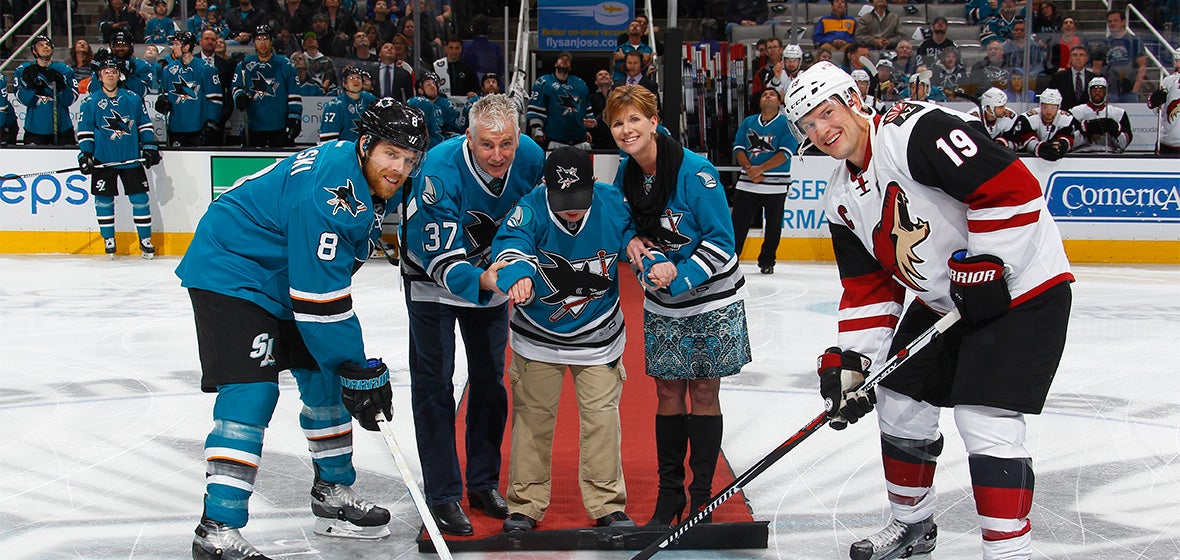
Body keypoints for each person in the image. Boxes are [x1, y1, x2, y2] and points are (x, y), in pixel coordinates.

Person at [782, 60, 1072, 560]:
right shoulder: (842, 198)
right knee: (896, 396)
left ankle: (1008, 553)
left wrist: (989, 262)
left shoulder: (912, 130)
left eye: (826, 113)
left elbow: (1012, 187)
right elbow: (869, 288)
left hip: (1024, 288)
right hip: (949, 302)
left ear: (853, 101)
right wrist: (854, 363)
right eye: (808, 124)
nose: (822, 130)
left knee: (986, 419)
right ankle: (913, 526)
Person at [176, 98, 429, 560]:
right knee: (251, 393)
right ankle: (216, 530)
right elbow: (319, 301)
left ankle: (331, 493)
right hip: (232, 272)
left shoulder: (356, 176)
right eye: (391, 153)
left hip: (283, 274)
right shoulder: (331, 193)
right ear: (366, 144)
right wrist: (356, 366)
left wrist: (346, 368)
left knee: (325, 381)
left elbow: (319, 288)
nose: (399, 168)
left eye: (409, 159)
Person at [399, 93, 545, 537]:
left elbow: (538, 219)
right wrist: (488, 279)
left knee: (488, 383)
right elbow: (437, 256)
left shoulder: (531, 158)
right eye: (487, 145)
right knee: (434, 386)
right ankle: (443, 492)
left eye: (506, 143)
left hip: (493, 283)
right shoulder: (439, 169)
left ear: (519, 136)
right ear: (469, 137)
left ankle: (482, 482)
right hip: (432, 283)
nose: (498, 155)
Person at [605, 84, 750, 526]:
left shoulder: (695, 171)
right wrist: (630, 241)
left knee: (704, 392)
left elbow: (724, 244)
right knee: (667, 392)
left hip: (711, 299)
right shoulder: (625, 175)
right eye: (617, 122)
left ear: (654, 121)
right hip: (663, 303)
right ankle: (670, 495)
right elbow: (620, 224)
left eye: (634, 119)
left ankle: (702, 495)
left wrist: (679, 274)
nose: (626, 129)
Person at [491, 147, 639, 533]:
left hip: (599, 336)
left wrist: (645, 254)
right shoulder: (530, 207)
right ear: (545, 186)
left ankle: (607, 503)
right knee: (532, 422)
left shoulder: (611, 201)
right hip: (536, 338)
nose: (570, 209)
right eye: (562, 200)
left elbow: (631, 237)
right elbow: (511, 243)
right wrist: (517, 273)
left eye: (578, 199)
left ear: (594, 183)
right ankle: (525, 504)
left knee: (602, 421)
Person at [76, 58, 161, 259]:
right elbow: (85, 131)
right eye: (105, 71)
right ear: (99, 76)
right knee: (104, 200)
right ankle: (109, 239)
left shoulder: (132, 98)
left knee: (140, 199)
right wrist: (85, 154)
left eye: (113, 71)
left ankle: (145, 239)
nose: (110, 74)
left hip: (130, 159)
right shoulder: (90, 102)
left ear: (119, 75)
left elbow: (144, 126)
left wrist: (149, 147)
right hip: (103, 160)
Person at [731, 87, 798, 276]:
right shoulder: (749, 122)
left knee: (773, 226)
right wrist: (750, 171)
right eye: (764, 94)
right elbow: (738, 148)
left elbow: (785, 153)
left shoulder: (787, 124)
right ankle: (731, 260)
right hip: (747, 183)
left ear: (779, 101)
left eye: (772, 94)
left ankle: (767, 261)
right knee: (738, 224)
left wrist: (759, 169)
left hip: (775, 186)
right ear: (760, 101)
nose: (767, 96)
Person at [232, 25, 303, 147]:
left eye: (266, 39)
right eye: (259, 39)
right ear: (254, 42)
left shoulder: (286, 65)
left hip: (279, 125)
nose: (262, 43)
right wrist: (239, 98)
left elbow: (294, 93)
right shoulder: (244, 64)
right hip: (253, 125)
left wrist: (294, 116)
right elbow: (236, 87)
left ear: (271, 42)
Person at [156, 31, 223, 146]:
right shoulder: (168, 69)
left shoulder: (206, 68)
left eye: (177, 44)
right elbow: (164, 95)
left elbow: (215, 99)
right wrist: (161, 103)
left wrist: (211, 124)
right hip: (176, 129)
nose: (173, 47)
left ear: (186, 47)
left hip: (199, 129)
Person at [14, 34, 77, 145]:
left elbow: (69, 100)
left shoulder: (64, 70)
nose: (45, 47)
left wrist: (61, 85)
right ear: (34, 50)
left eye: (48, 45)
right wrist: (29, 84)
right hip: (34, 129)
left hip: (62, 128)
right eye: (40, 45)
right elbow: (23, 100)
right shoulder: (23, 70)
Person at [527, 51, 594, 151]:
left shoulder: (580, 84)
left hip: (579, 139)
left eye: (567, 60)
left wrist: (588, 129)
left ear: (570, 67)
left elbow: (586, 109)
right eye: (561, 59)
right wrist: (538, 129)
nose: (564, 60)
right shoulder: (544, 82)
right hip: (554, 139)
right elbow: (536, 107)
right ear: (555, 64)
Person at [1010, 88, 1078, 161]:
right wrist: (1042, 149)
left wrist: (1060, 145)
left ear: (1058, 107)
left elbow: (1067, 137)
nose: (1049, 112)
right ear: (1040, 105)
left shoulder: (1066, 118)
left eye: (1053, 108)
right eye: (1046, 107)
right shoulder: (1027, 118)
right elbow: (1026, 140)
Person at [1069, 77, 1132, 153]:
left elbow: (1123, 145)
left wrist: (1116, 130)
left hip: (1109, 155)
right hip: (1081, 154)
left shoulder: (1119, 113)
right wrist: (1085, 129)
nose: (1097, 92)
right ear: (1089, 91)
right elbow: (1069, 142)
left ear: (1106, 92)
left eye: (1101, 89)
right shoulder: (1075, 112)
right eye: (1094, 89)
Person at [319, 66, 376, 143]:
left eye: (358, 78)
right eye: (351, 78)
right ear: (344, 84)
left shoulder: (371, 100)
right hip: (343, 151)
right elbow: (328, 140)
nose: (356, 80)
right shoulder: (334, 106)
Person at [91, 30, 155, 97]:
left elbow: (143, 92)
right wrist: (97, 71)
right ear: (111, 47)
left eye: (125, 45)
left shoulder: (142, 65)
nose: (120, 48)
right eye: (117, 45)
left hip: (131, 106)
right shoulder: (105, 65)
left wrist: (127, 76)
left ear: (131, 46)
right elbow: (93, 91)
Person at [1101, 10, 1147, 103]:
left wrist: (1135, 90)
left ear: (1123, 22)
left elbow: (1142, 67)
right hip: (1109, 93)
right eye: (1110, 21)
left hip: (1129, 92)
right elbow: (1097, 69)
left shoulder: (1135, 42)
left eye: (1115, 20)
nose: (1112, 23)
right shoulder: (1104, 44)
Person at [407, 71, 461, 148]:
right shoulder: (418, 103)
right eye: (428, 84)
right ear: (420, 90)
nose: (432, 86)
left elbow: (453, 128)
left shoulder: (446, 104)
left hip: (441, 141)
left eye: (434, 84)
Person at [1147, 48, 1180, 155]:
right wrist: (1155, 100)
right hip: (1167, 142)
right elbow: (1156, 108)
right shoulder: (1168, 81)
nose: (1177, 63)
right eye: (1176, 60)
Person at [1047, 45, 1096, 111]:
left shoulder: (1094, 78)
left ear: (1086, 58)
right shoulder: (1058, 77)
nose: (1078, 58)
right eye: (1074, 55)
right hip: (1065, 116)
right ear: (1070, 58)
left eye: (1081, 55)